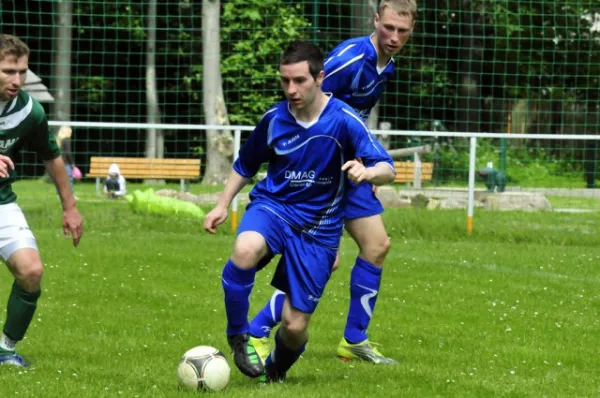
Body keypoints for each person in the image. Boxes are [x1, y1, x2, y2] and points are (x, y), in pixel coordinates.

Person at [203, 40, 395, 382]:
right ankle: (238, 336)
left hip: (319, 229)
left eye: (299, 81)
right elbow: (245, 165)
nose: (291, 89)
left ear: (320, 78)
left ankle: (275, 372)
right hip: (273, 207)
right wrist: (221, 204)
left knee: (294, 326)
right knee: (245, 249)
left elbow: (388, 168)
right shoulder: (274, 120)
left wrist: (367, 173)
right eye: (285, 81)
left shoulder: (344, 121)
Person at [248, 0, 417, 365]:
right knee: (329, 260)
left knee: (377, 245)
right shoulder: (350, 59)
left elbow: (353, 118)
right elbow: (307, 102)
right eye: (388, 27)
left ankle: (354, 339)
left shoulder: (385, 66)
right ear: (375, 21)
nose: (393, 37)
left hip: (347, 170)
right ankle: (259, 329)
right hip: (320, 174)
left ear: (411, 30)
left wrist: (367, 165)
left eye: (402, 31)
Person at [0, 34, 83, 366]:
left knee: (31, 271)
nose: (17, 80)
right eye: (8, 71)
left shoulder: (28, 111)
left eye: (22, 71)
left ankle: (6, 349)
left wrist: (70, 207)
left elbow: (52, 157)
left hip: (2, 202)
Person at [55, 125, 77, 196]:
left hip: (58, 162)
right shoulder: (67, 140)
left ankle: (59, 194)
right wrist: (72, 164)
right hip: (66, 163)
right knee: (69, 179)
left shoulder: (58, 140)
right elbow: (68, 153)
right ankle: (70, 195)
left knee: (60, 179)